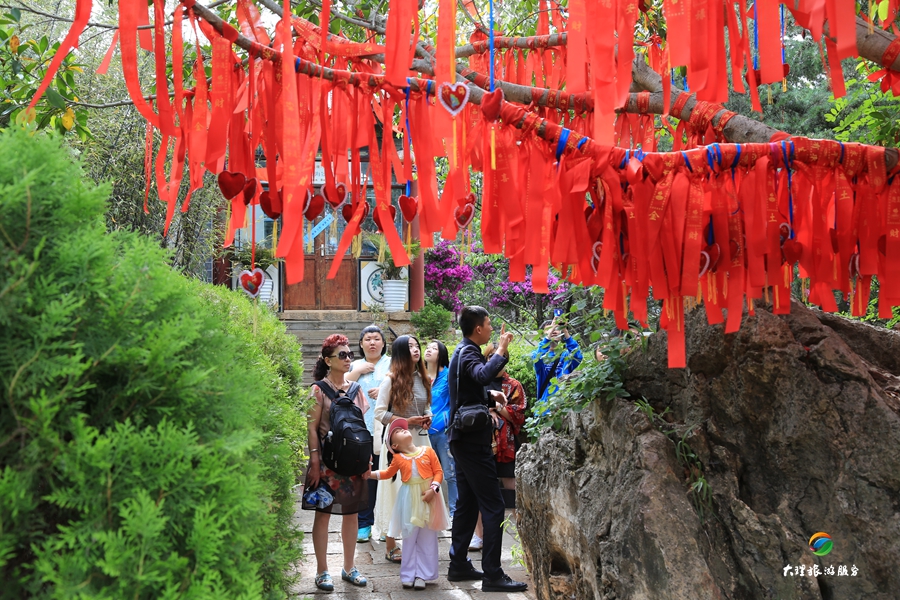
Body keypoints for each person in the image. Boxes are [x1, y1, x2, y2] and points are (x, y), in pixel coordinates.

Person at [446, 306, 528, 592]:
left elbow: (471, 387)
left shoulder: (463, 351)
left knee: (467, 503)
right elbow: (482, 375)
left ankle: (458, 565)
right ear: (478, 328)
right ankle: (493, 574)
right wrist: (501, 349)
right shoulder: (468, 352)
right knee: (493, 506)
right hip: (471, 441)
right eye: (489, 324)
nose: (492, 330)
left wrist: (489, 396)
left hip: (462, 438)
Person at [303, 334, 370, 592]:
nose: (348, 358)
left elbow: (362, 427)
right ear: (327, 360)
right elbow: (311, 428)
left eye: (349, 354)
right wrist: (314, 461)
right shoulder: (318, 390)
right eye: (342, 355)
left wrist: (367, 459)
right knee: (323, 514)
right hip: (326, 463)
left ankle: (349, 567)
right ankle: (322, 571)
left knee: (351, 514)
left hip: (352, 462)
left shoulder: (356, 390)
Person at [368, 418, 450, 590]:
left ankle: (423, 574)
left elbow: (438, 472)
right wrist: (370, 474)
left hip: (428, 498)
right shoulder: (398, 458)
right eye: (397, 431)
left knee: (427, 536)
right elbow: (387, 473)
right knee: (409, 535)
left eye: (403, 429)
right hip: (409, 500)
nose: (403, 430)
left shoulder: (428, 451)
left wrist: (433, 489)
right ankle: (408, 574)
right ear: (394, 445)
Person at [373, 335, 433, 564]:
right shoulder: (390, 380)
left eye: (417, 346)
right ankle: (390, 543)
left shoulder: (423, 378)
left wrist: (427, 417)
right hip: (397, 444)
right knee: (396, 490)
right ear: (400, 352)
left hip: (420, 441)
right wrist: (406, 421)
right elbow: (379, 413)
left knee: (420, 488)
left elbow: (427, 406)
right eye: (410, 347)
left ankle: (416, 540)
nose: (416, 350)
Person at [468, 342, 528, 551]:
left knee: (512, 487)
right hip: (481, 442)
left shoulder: (513, 385)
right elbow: (469, 407)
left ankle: (522, 534)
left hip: (507, 444)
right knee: (479, 489)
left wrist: (496, 407)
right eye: (491, 356)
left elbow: (518, 414)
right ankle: (479, 535)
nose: (496, 360)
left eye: (500, 356)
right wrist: (490, 409)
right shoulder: (477, 382)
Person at [346, 325, 391, 543]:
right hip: (360, 429)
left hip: (387, 429)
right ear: (361, 344)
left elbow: (404, 383)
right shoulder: (354, 365)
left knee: (386, 477)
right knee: (364, 477)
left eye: (376, 338)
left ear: (383, 343)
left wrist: (384, 389)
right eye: (368, 339)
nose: (372, 342)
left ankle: (385, 525)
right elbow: (341, 387)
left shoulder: (392, 363)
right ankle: (364, 524)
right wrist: (358, 371)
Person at [424, 340, 458, 518]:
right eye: (427, 347)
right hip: (422, 433)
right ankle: (432, 515)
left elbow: (455, 402)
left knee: (450, 473)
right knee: (426, 476)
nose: (429, 350)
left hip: (443, 432)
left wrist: (447, 422)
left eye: (434, 348)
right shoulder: (418, 376)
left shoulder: (448, 375)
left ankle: (454, 513)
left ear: (442, 354)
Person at [532, 316, 583, 406]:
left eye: (556, 328)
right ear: (541, 335)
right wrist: (549, 335)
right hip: (545, 407)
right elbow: (538, 358)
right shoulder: (538, 355)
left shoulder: (566, 355)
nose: (554, 331)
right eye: (549, 329)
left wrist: (565, 331)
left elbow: (578, 356)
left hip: (564, 405)